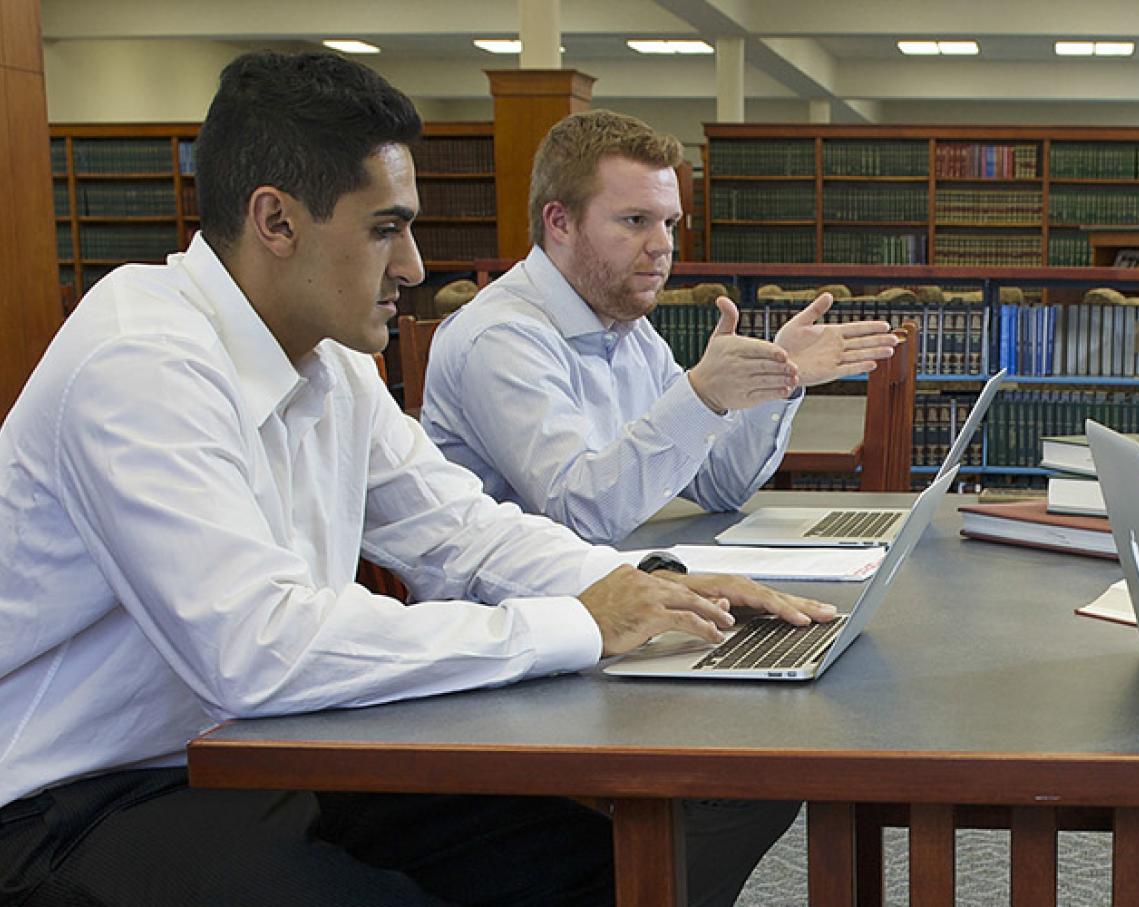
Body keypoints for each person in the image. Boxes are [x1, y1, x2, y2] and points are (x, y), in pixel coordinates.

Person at [0, 50, 835, 907]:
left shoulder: (327, 358)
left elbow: (458, 529)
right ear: (275, 220)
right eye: (384, 228)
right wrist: (579, 622)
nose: (412, 264)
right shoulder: (141, 362)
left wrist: (651, 585)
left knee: (601, 867)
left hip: (268, 752)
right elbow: (256, 648)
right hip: (78, 800)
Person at [420, 111, 900, 545]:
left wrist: (774, 378)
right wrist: (701, 397)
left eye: (669, 223)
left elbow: (719, 486)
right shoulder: (501, 337)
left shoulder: (629, 330)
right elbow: (581, 515)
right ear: (560, 222)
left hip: (607, 593)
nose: (662, 246)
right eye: (635, 221)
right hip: (512, 620)